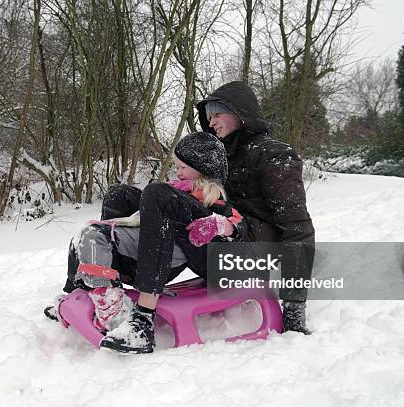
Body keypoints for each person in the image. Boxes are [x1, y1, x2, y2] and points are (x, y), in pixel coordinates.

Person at [45, 132, 247, 353]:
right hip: (151, 250)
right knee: (117, 195)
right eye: (176, 166)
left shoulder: (213, 201)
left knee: (157, 192)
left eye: (183, 167)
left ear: (204, 169)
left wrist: (220, 225)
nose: (178, 172)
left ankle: (140, 318)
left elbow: (238, 224)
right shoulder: (175, 190)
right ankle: (82, 290)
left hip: (183, 254)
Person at [196, 81, 315, 335]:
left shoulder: (274, 154)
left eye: (218, 113)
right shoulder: (223, 157)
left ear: (240, 112)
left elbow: (297, 226)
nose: (212, 122)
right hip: (228, 238)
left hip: (255, 249)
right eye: (208, 117)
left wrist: (294, 306)